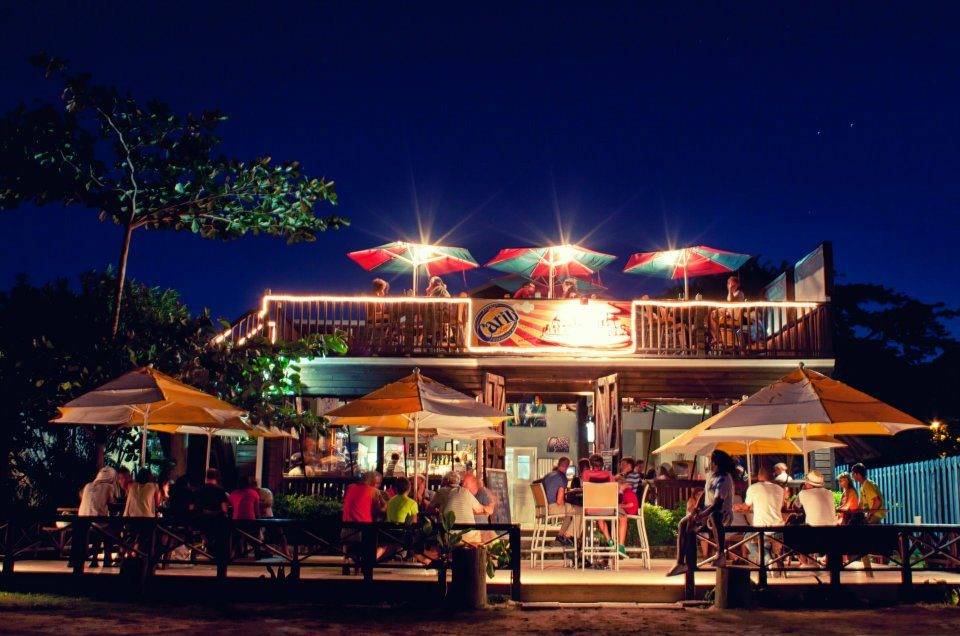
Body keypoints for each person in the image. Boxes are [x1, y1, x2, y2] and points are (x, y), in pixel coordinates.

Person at [667, 450, 736, 576]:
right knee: (684, 523)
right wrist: (696, 509)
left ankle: (720, 554)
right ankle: (681, 563)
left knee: (714, 515)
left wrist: (701, 515)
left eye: (711, 461)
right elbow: (704, 492)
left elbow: (717, 505)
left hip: (723, 515)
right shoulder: (711, 475)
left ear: (716, 463)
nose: (710, 463)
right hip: (707, 512)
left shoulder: (724, 479)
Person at [78, 466, 117, 568]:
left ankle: (94, 560)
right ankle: (107, 560)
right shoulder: (109, 487)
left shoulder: (88, 485)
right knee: (109, 530)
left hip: (82, 520)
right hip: (97, 521)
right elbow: (112, 503)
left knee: (100, 529)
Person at [541, 457, 580, 546]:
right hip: (553, 507)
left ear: (559, 464)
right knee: (580, 511)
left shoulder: (548, 475)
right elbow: (559, 501)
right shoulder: (562, 478)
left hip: (544, 508)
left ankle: (560, 536)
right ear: (567, 466)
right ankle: (568, 536)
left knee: (571, 513)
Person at [613, 476, 640, 558]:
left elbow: (631, 505)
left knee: (620, 517)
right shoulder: (627, 492)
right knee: (618, 517)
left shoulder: (627, 492)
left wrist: (620, 505)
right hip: (628, 511)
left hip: (631, 511)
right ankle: (618, 545)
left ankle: (620, 546)